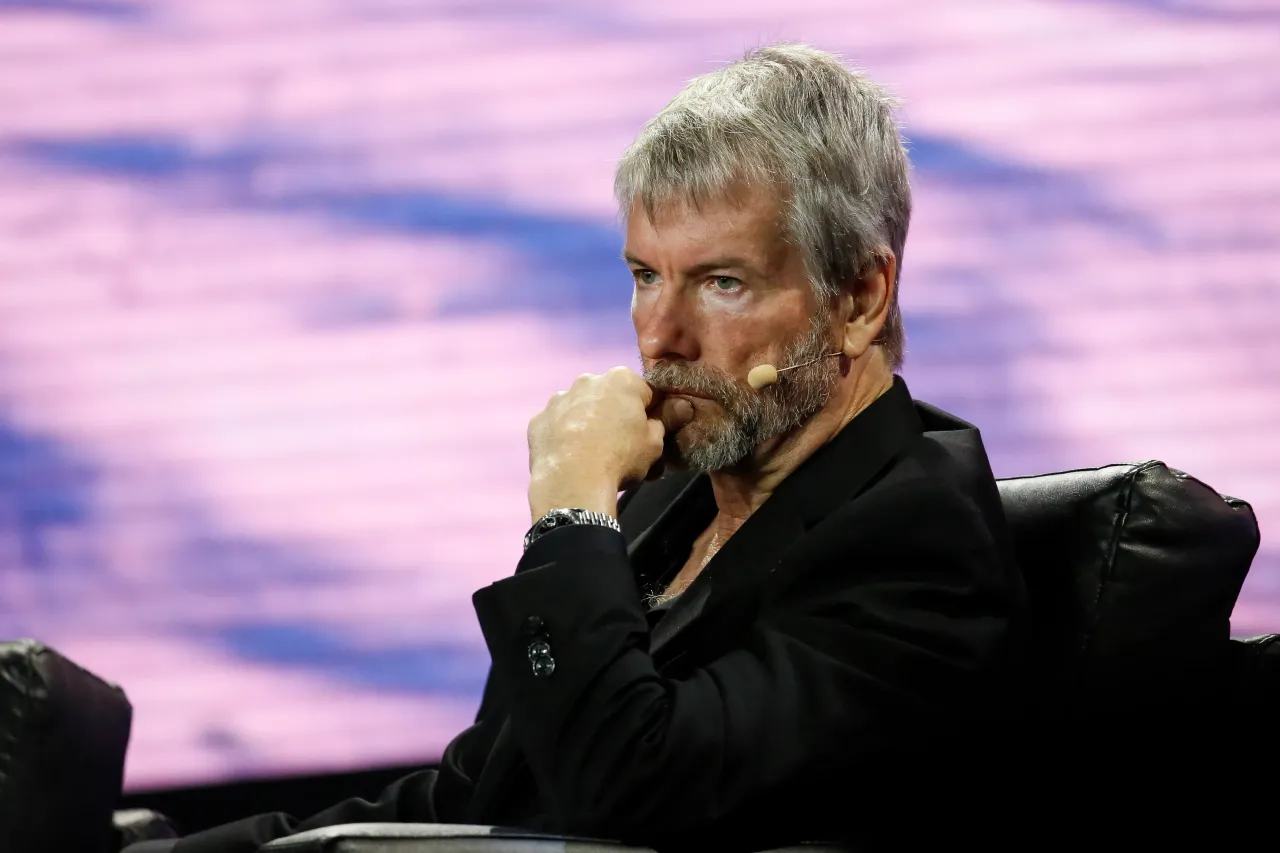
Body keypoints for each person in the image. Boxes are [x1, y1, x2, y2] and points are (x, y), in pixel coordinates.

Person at [130, 43, 1028, 853]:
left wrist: (568, 512)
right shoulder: (670, 504)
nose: (660, 336)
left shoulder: (920, 544)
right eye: (645, 275)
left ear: (861, 299)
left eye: (721, 282)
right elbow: (476, 798)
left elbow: (629, 794)